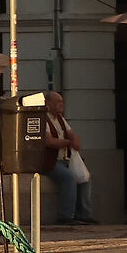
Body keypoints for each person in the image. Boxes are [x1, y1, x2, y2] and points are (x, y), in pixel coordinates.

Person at [41, 92, 94, 224]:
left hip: (65, 159)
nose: (61, 104)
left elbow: (72, 134)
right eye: (58, 101)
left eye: (62, 101)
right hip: (50, 161)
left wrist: (75, 140)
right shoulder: (43, 118)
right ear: (48, 103)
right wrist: (68, 143)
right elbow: (49, 141)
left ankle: (83, 214)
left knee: (84, 177)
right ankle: (66, 215)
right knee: (69, 178)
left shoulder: (60, 119)